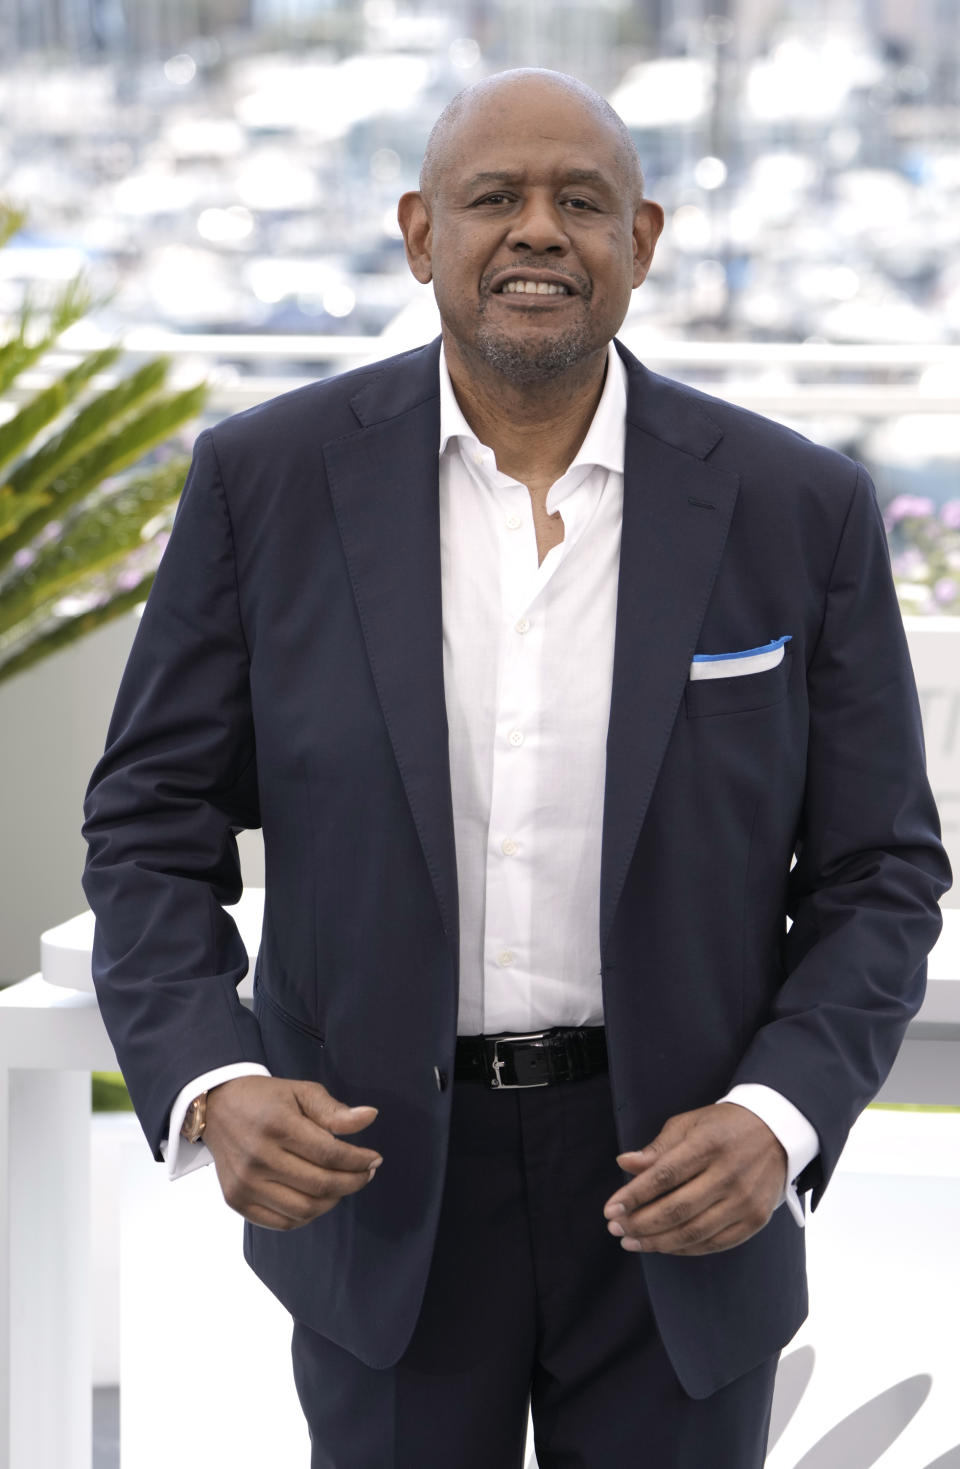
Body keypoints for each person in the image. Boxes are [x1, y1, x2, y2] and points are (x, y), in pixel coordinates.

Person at [81, 68, 950, 1469]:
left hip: (684, 1183)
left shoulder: (804, 506)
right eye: (495, 199)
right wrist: (208, 1078)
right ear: (423, 235)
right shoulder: (266, 481)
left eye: (581, 202)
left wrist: (778, 1114)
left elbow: (882, 870)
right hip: (379, 1188)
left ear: (643, 241)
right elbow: (147, 821)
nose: (538, 230)